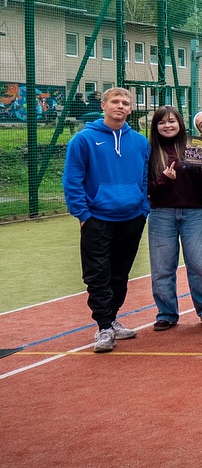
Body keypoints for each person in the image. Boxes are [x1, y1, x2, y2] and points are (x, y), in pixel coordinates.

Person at [63, 86, 149, 352]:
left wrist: (143, 207)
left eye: (125, 103)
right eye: (115, 101)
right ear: (103, 106)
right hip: (97, 218)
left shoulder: (140, 142)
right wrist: (83, 215)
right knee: (98, 274)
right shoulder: (83, 140)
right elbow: (72, 180)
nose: (120, 106)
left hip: (132, 217)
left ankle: (111, 319)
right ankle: (103, 327)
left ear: (130, 109)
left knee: (120, 274)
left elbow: (145, 177)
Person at [145, 105, 202, 330]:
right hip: (161, 213)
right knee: (162, 267)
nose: (167, 126)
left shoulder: (194, 145)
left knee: (199, 263)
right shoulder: (150, 151)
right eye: (162, 122)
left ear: (180, 123)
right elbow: (145, 188)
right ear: (156, 126)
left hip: (194, 212)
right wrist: (164, 179)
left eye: (172, 121)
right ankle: (166, 313)